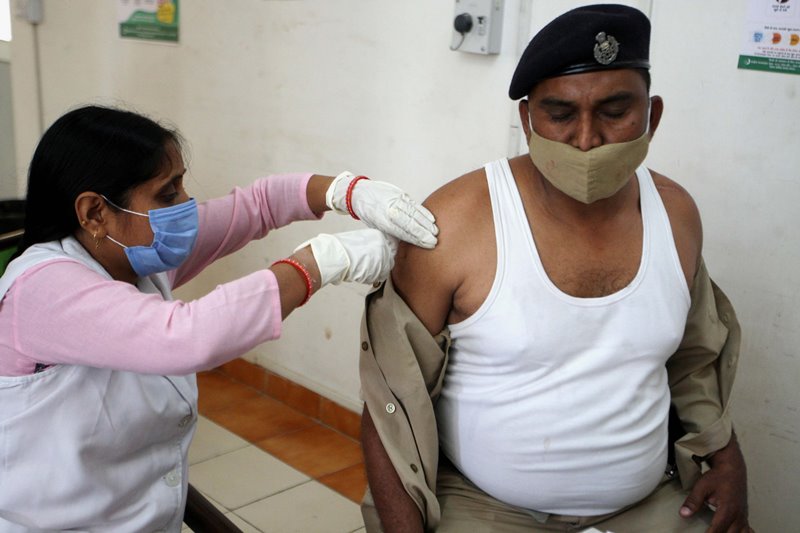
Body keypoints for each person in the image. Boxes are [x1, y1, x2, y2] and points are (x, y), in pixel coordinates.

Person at [359, 5, 752, 532]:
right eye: (560, 115)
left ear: (652, 116)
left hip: (650, 503)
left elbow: (695, 361)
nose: (586, 139)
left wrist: (726, 460)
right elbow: (389, 403)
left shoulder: (675, 214)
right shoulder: (456, 223)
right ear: (526, 121)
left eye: (615, 111)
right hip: (482, 507)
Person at [0, 104, 439, 531]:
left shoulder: (130, 256)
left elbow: (259, 205)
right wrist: (320, 262)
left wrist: (347, 191)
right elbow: (185, 337)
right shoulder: (42, 289)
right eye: (168, 194)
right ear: (95, 213)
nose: (186, 205)